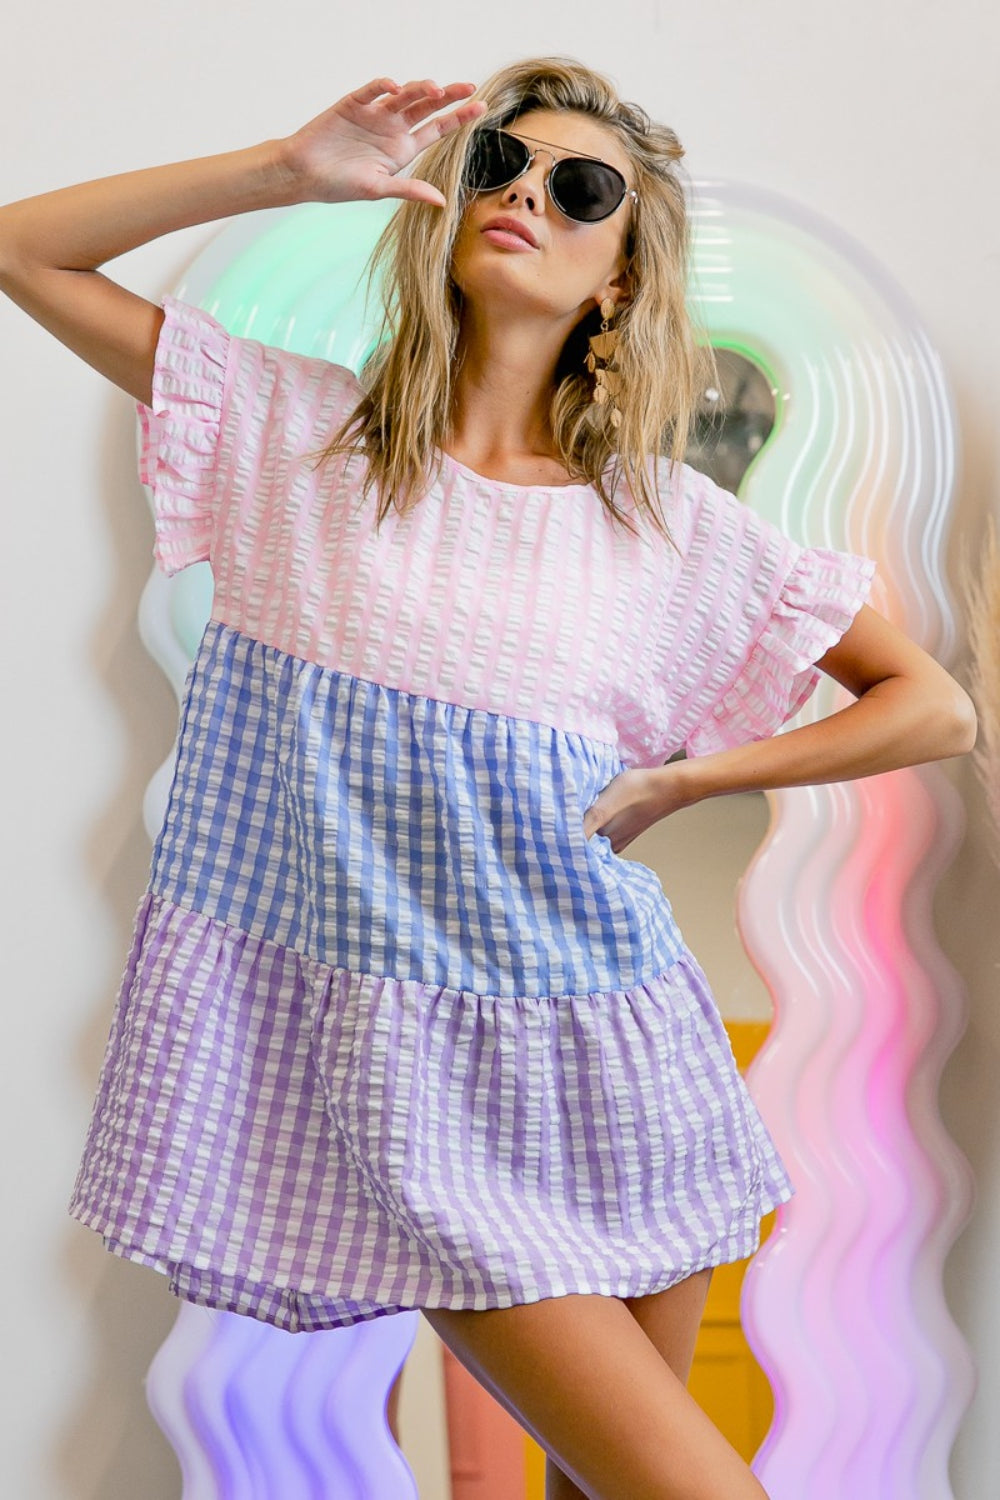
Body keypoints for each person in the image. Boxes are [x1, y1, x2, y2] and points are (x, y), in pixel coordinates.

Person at [0, 54, 977, 1500]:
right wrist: (281, 167)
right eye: (500, 164)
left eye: (580, 190)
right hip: (407, 1084)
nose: (525, 192)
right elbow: (20, 245)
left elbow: (934, 707)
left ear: (623, 279)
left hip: (624, 1060)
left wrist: (697, 783)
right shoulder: (289, 433)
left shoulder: (669, 531)